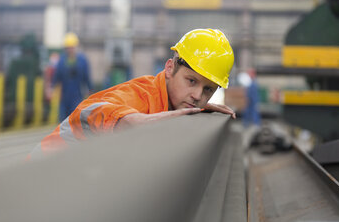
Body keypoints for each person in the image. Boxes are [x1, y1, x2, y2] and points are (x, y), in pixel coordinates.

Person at [28, 28, 236, 159]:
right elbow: (87, 110)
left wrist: (194, 109)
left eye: (208, 89)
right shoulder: (141, 95)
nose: (198, 95)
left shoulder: (173, 101)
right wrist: (126, 121)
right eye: (191, 81)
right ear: (170, 68)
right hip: (42, 169)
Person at [53, 32, 93, 122]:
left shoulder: (82, 60)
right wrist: (51, 88)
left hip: (77, 96)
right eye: (68, 48)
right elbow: (57, 76)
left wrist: (90, 90)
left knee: (75, 119)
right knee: (63, 120)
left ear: (75, 47)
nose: (70, 50)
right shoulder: (62, 61)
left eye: (72, 47)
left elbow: (87, 77)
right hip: (64, 97)